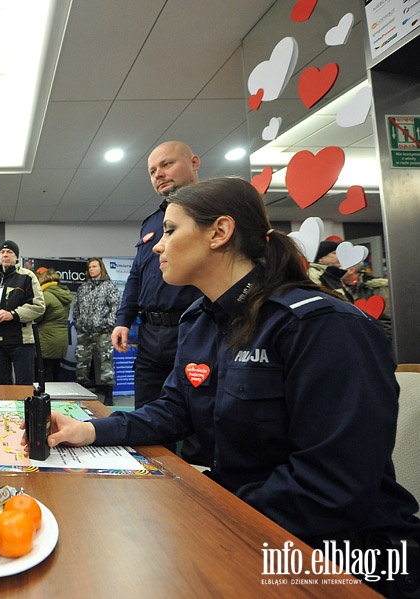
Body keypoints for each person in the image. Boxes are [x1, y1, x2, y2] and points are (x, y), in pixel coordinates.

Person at [34, 177, 420, 596]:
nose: (157, 247)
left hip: (338, 555)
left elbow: (332, 485)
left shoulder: (323, 327)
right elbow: (174, 410)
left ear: (219, 232)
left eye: (169, 231)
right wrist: (88, 431)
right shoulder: (199, 320)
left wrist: (203, 513)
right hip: (241, 525)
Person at [112, 141, 203, 410]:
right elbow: (137, 276)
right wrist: (123, 320)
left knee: (196, 417)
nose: (158, 175)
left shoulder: (215, 212)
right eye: (152, 171)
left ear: (194, 163)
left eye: (167, 164)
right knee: (146, 413)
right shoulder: (151, 223)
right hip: (151, 335)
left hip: (196, 329)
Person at [0, 241, 45, 385]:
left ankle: (26, 408)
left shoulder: (27, 277)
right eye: (2, 252)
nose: (5, 255)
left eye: (9, 252)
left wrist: (12, 314)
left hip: (22, 342)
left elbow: (38, 306)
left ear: (17, 258)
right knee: (1, 387)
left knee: (24, 386)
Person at [73, 258, 121, 404]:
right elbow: (76, 308)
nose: (91, 269)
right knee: (82, 362)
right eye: (89, 267)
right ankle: (81, 392)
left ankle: (108, 396)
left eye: (94, 266)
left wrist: (109, 324)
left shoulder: (109, 287)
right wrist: (79, 323)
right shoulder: (83, 288)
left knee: (106, 362)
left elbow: (115, 307)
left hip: (103, 332)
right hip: (85, 332)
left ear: (101, 268)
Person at [34, 269, 72, 382]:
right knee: (56, 370)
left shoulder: (45, 295)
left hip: (46, 340)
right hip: (61, 340)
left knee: (45, 372)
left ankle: (47, 397)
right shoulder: (63, 294)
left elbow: (37, 318)